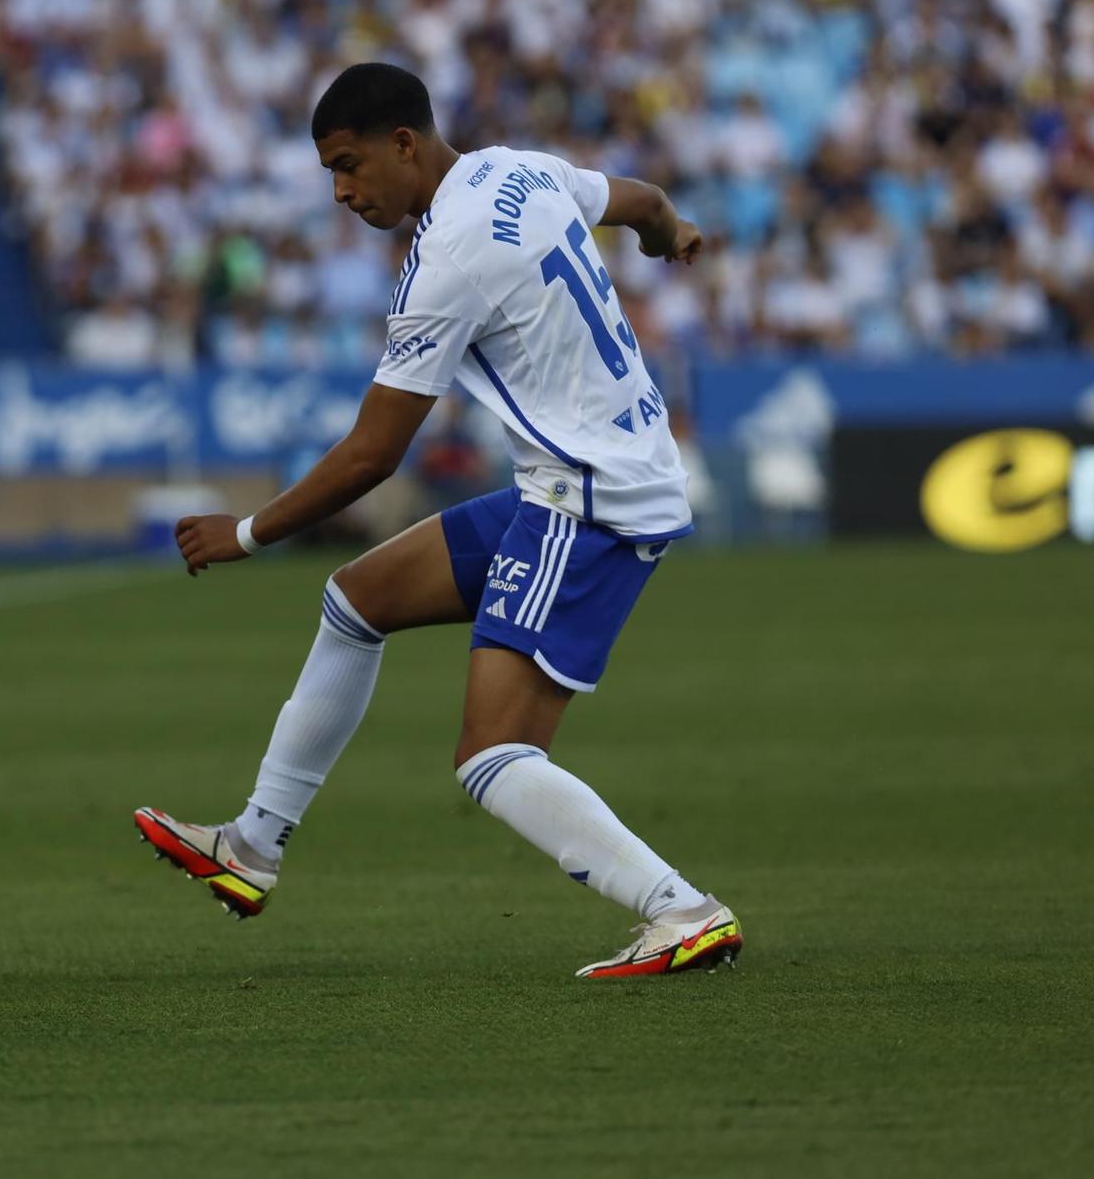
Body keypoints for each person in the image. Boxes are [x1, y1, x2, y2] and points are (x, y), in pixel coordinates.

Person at [136, 64, 740, 979]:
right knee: (357, 597)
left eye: (349, 166)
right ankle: (252, 844)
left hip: (588, 500)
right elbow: (645, 200)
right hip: (580, 479)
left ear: (404, 144)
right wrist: (673, 233)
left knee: (492, 752)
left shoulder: (449, 255)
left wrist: (249, 532)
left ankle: (681, 909)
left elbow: (373, 454)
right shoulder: (519, 169)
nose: (342, 192)